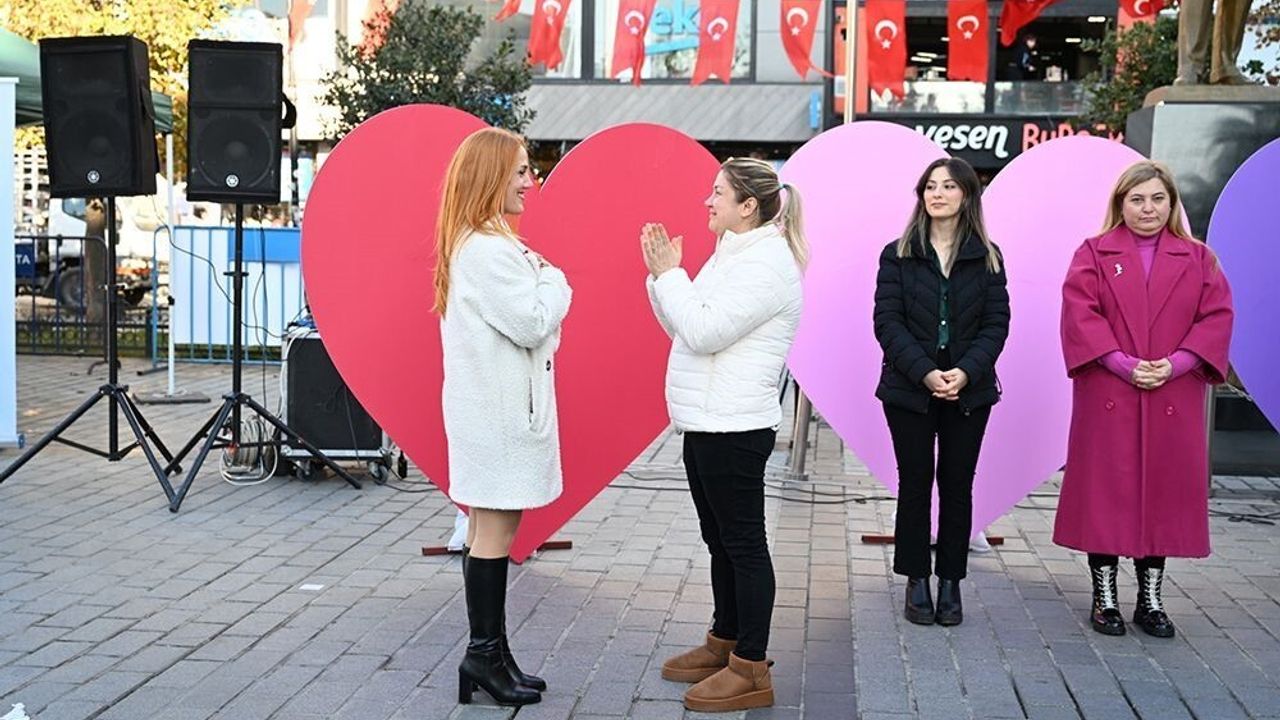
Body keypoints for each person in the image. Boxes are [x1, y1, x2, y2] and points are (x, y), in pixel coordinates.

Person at [642, 157, 805, 713]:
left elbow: (705, 331)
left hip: (736, 425)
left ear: (747, 206)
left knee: (743, 544)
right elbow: (683, 326)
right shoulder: (730, 254)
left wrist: (670, 276)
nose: (706, 202)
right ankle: (725, 639)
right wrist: (662, 276)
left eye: (717, 193)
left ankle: (752, 666)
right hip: (706, 420)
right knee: (719, 541)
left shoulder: (766, 263)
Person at [1056, 161, 1232, 638]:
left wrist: (1176, 364)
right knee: (1106, 493)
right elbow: (1080, 314)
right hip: (1110, 388)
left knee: (1164, 492)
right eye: (1137, 199)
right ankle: (1104, 596)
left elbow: (1215, 318)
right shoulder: (1092, 253)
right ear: (1120, 204)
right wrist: (1119, 362)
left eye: (1157, 198)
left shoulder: (1199, 259)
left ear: (1172, 203)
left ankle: (1150, 598)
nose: (1147, 208)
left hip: (1172, 390)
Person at [433, 127, 572, 706]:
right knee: (493, 529)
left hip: (493, 407)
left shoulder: (485, 243)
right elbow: (535, 322)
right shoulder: (489, 251)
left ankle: (491, 652)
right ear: (490, 178)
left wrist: (540, 278)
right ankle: (483, 654)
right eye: (518, 171)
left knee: (498, 528)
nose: (528, 181)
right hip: (497, 412)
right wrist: (557, 280)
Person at [873, 157, 1009, 627]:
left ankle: (951, 579)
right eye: (930, 186)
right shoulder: (898, 254)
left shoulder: (988, 256)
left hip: (969, 392)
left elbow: (997, 325)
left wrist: (966, 373)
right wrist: (927, 373)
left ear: (967, 195)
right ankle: (916, 578)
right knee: (914, 483)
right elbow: (886, 323)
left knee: (957, 483)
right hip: (910, 389)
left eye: (949, 186)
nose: (938, 194)